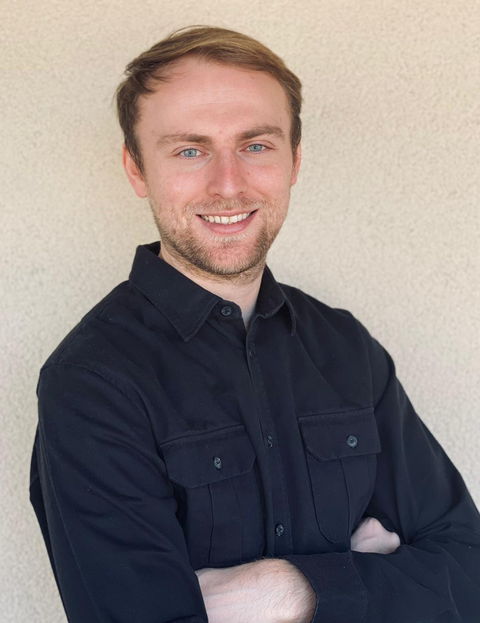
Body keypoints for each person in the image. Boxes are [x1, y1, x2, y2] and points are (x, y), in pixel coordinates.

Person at [29, 25, 480, 623]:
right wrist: (371, 578)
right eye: (190, 151)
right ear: (137, 170)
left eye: (256, 145)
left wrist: (288, 590)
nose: (228, 184)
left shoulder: (345, 347)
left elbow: (468, 570)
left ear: (294, 160)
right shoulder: (92, 381)